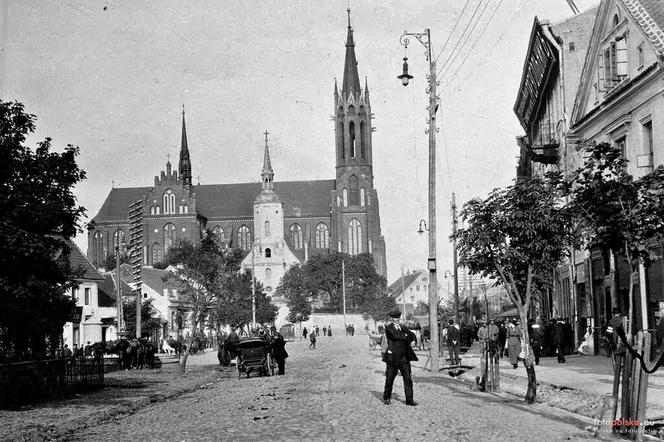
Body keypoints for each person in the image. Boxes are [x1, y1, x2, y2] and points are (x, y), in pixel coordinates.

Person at [382, 309, 418, 406]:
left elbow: (412, 335)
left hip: (404, 358)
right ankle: (387, 397)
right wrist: (406, 336)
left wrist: (414, 340)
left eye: (398, 318)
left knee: (407, 379)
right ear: (391, 319)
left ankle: (409, 400)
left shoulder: (403, 327)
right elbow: (396, 336)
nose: (397, 320)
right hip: (392, 357)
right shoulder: (388, 328)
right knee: (389, 378)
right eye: (395, 318)